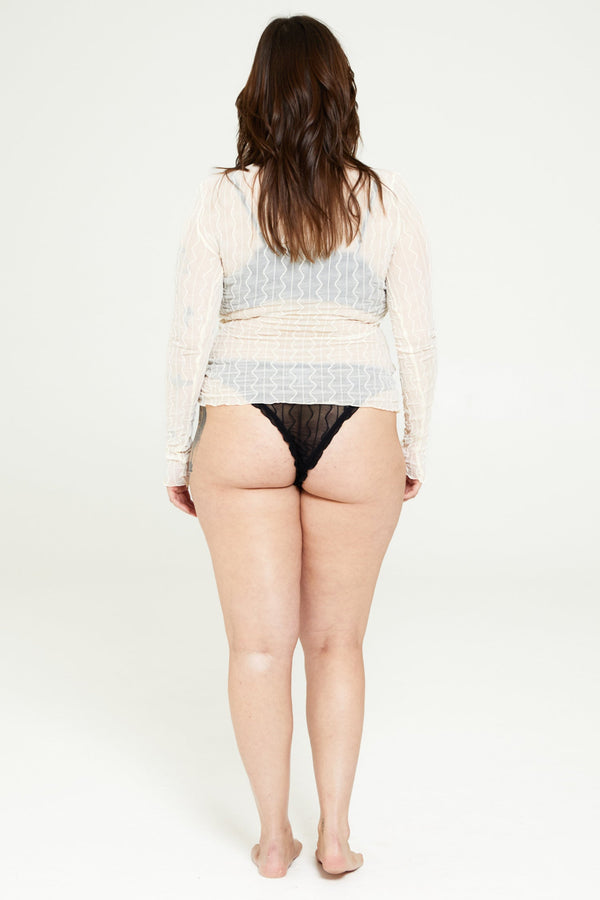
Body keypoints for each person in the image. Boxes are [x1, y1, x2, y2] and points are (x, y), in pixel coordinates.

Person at [164, 14, 437, 879]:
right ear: (340, 95)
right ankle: (336, 837)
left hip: (241, 421)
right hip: (359, 425)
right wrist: (412, 449)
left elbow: (189, 335)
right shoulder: (385, 198)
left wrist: (177, 454)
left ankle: (275, 838)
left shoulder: (222, 197)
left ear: (258, 96)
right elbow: (416, 341)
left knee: (257, 649)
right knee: (337, 646)